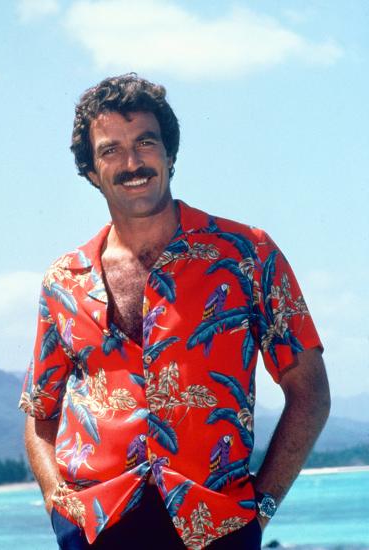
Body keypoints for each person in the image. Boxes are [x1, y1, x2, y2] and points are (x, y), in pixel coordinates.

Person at [19, 74, 330, 550]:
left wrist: (261, 508)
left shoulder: (247, 254)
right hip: (94, 528)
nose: (132, 163)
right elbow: (41, 409)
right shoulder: (64, 279)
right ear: (91, 172)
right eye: (110, 150)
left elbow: (309, 391)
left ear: (170, 154)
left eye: (145, 142)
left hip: (215, 525)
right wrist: (55, 500)